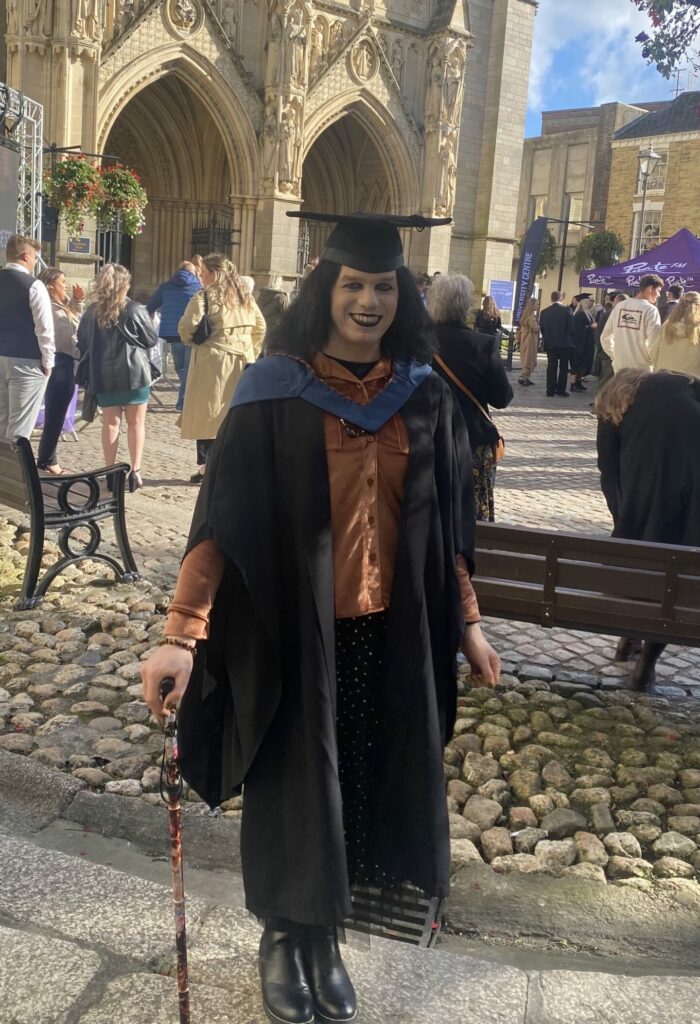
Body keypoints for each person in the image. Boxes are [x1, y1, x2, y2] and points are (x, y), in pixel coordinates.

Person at [141, 211, 501, 1024]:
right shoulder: (274, 389)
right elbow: (221, 523)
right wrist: (181, 636)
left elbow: (448, 527)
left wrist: (470, 622)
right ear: (326, 290)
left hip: (392, 631)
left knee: (359, 786)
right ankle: (282, 935)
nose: (367, 302)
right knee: (295, 785)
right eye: (353, 286)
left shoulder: (425, 392)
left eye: (382, 287)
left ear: (400, 295)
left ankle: (326, 937)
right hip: (296, 630)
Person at [596, 368, 700, 687]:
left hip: (638, 506)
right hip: (688, 506)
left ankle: (629, 639)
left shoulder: (614, 405)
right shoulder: (685, 391)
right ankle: (647, 661)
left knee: (637, 568)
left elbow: (608, 470)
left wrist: (622, 513)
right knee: (674, 583)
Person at [429, 272, 513, 521]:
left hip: (426, 441)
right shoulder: (482, 345)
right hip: (472, 443)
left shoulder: (416, 344)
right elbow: (502, 398)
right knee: (472, 515)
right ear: (465, 306)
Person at [178, 253, 266, 482]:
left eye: (204, 273)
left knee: (208, 415)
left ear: (215, 274)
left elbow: (187, 327)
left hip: (212, 361)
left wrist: (191, 340)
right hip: (243, 361)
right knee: (234, 414)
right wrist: (252, 352)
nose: (201, 277)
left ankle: (207, 466)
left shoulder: (204, 296)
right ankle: (232, 462)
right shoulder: (245, 296)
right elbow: (261, 326)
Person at [77, 264, 159, 491]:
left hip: (103, 374)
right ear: (125, 284)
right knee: (136, 423)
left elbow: (82, 343)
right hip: (134, 373)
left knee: (110, 424)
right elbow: (151, 339)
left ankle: (110, 471)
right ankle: (136, 471)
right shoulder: (134, 309)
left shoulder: (92, 312)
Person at [0, 234, 54, 441]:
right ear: (25, 256)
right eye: (34, 257)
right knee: (20, 427)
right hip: (27, 360)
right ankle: (15, 472)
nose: (34, 262)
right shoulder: (33, 285)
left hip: (1, 355)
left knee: (2, 422)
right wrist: (48, 362)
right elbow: (44, 329)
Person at [36, 269, 84, 474]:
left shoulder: (60, 305)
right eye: (62, 281)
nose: (66, 285)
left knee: (58, 412)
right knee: (55, 413)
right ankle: (48, 460)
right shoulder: (49, 308)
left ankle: (46, 458)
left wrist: (77, 301)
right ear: (50, 286)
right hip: (61, 362)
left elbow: (74, 320)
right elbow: (68, 336)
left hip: (66, 361)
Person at [146, 261, 202, 412]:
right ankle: (184, 401)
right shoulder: (198, 287)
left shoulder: (166, 286)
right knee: (188, 368)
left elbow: (150, 306)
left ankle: (184, 400)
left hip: (173, 332)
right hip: (192, 332)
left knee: (180, 368)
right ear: (193, 272)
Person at [600, 273, 663, 372]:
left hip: (620, 368)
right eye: (658, 291)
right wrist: (656, 366)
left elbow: (605, 337)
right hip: (641, 370)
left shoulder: (620, 306)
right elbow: (654, 343)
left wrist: (615, 355)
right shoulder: (650, 310)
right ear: (651, 288)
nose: (659, 295)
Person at [652, 291, 700, 378]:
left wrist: (658, 368)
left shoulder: (667, 325)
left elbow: (654, 351)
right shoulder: (697, 328)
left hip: (665, 375)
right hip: (691, 379)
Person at [539, 290, 575, 397]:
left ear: (551, 299)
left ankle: (550, 390)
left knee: (551, 367)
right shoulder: (567, 310)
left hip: (550, 343)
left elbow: (542, 328)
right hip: (565, 343)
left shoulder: (544, 312)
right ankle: (560, 390)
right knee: (564, 367)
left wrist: (547, 338)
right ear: (561, 299)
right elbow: (572, 328)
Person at [570, 294, 595, 392]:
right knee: (577, 363)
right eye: (588, 301)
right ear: (583, 303)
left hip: (586, 343)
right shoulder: (579, 314)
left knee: (583, 364)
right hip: (579, 343)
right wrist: (591, 327)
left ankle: (578, 381)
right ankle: (573, 384)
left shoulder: (587, 313)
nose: (590, 303)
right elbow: (578, 330)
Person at [257, 273, 290, 337]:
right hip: (276, 331)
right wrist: (288, 299)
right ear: (280, 283)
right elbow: (287, 315)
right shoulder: (281, 297)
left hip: (263, 329)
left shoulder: (262, 295)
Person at [516, 296, 539, 386]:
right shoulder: (531, 317)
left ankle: (526, 378)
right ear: (532, 306)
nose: (538, 306)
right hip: (530, 342)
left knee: (526, 359)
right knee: (528, 360)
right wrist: (540, 326)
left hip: (525, 341)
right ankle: (523, 378)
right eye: (537, 304)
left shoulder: (525, 315)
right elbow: (536, 328)